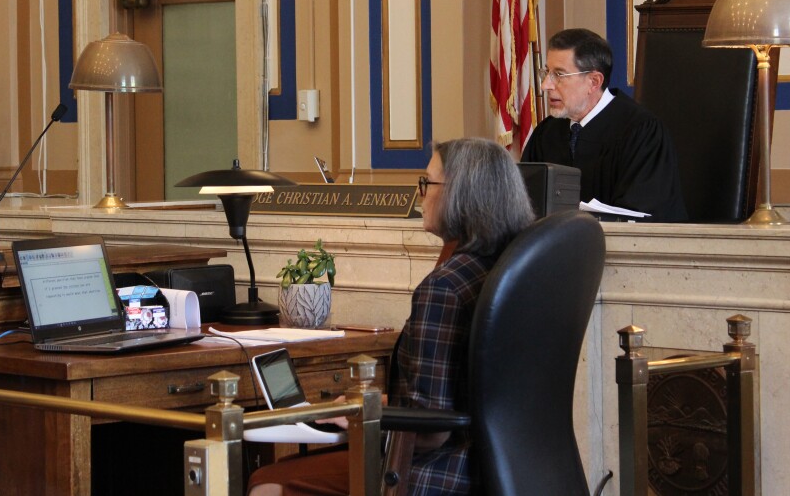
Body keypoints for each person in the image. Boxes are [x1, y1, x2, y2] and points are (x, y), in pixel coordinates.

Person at [247, 138, 535, 496]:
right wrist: (369, 404)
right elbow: (459, 395)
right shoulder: (511, 269)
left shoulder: (446, 287)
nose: (421, 194)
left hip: (436, 474)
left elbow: (430, 430)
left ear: (461, 195)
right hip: (504, 468)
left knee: (267, 481)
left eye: (427, 183)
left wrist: (359, 416)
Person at [521, 28, 687, 222]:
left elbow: (643, 217)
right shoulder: (547, 133)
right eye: (546, 73)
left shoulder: (641, 132)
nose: (546, 85)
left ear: (594, 81)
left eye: (559, 75)